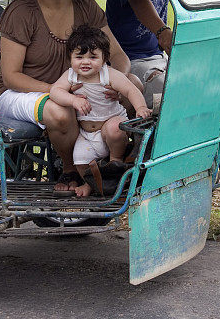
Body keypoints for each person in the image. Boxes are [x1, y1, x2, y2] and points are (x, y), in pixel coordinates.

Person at [0, 0, 131, 195]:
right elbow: (11, 77)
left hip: (75, 89)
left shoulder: (85, 6)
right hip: (20, 94)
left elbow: (121, 58)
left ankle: (118, 163)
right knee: (61, 111)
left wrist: (118, 84)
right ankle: (68, 169)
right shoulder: (22, 12)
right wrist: (59, 91)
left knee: (134, 85)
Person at [50, 25, 151, 197]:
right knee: (80, 160)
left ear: (104, 59)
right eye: (79, 57)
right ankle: (91, 184)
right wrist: (73, 99)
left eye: (93, 57)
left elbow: (130, 90)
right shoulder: (71, 76)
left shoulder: (108, 75)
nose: (85, 62)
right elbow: (55, 91)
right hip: (87, 133)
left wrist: (140, 107)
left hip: (109, 124)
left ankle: (115, 162)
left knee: (115, 128)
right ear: (70, 58)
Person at [106, 0, 172, 109]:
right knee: (164, 91)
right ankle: (148, 134)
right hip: (130, 57)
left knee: (193, 84)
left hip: (157, 55)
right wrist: (163, 33)